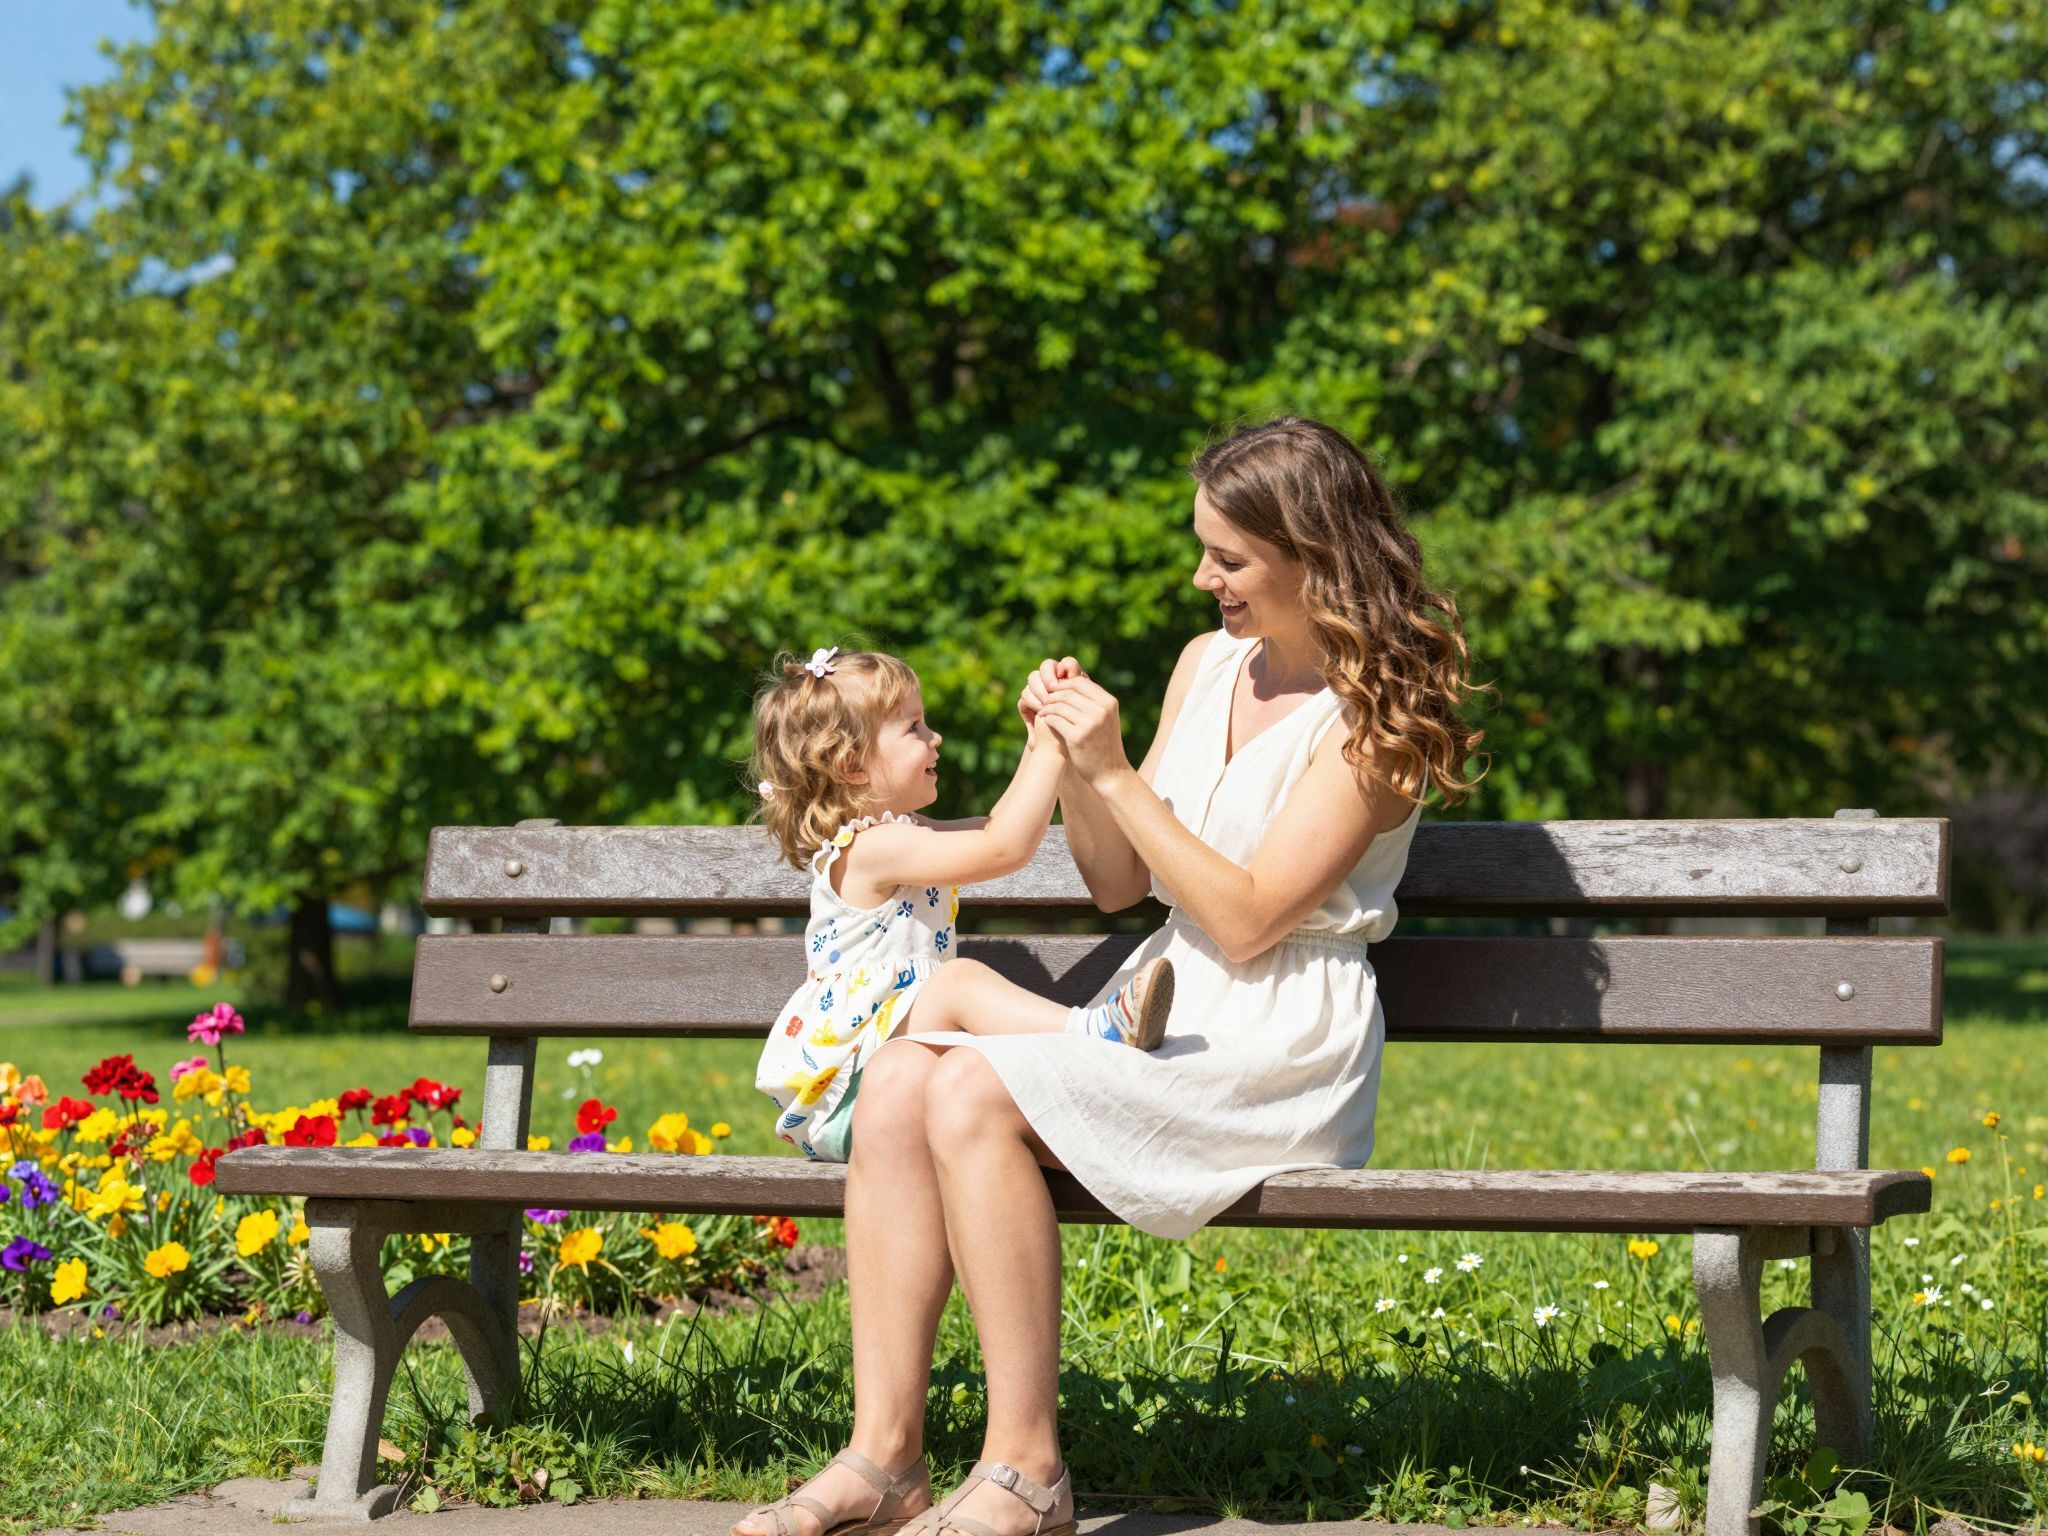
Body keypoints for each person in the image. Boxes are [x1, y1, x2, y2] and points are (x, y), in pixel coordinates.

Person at [732, 417, 1487, 1536]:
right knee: (896, 1078)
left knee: (965, 1085)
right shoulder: (1204, 663)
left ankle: (1025, 1472)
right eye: (1204, 549)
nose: (1203, 577)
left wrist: (1113, 769)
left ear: (1311, 554)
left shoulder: (1375, 717)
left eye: (1227, 558)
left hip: (1278, 1035)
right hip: (1164, 1001)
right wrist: (1071, 760)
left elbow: (1244, 920)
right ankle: (885, 1455)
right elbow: (1112, 880)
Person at [748, 645, 1175, 1163]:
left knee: (952, 994)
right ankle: (1096, 1034)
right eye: (914, 728)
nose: (935, 738)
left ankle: (1095, 1037)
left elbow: (1000, 829)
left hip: (891, 1073)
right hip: (856, 1095)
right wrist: (1051, 752)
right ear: (851, 764)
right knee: (953, 982)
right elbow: (1005, 849)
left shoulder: (902, 835)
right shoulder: (871, 849)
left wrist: (1041, 739)